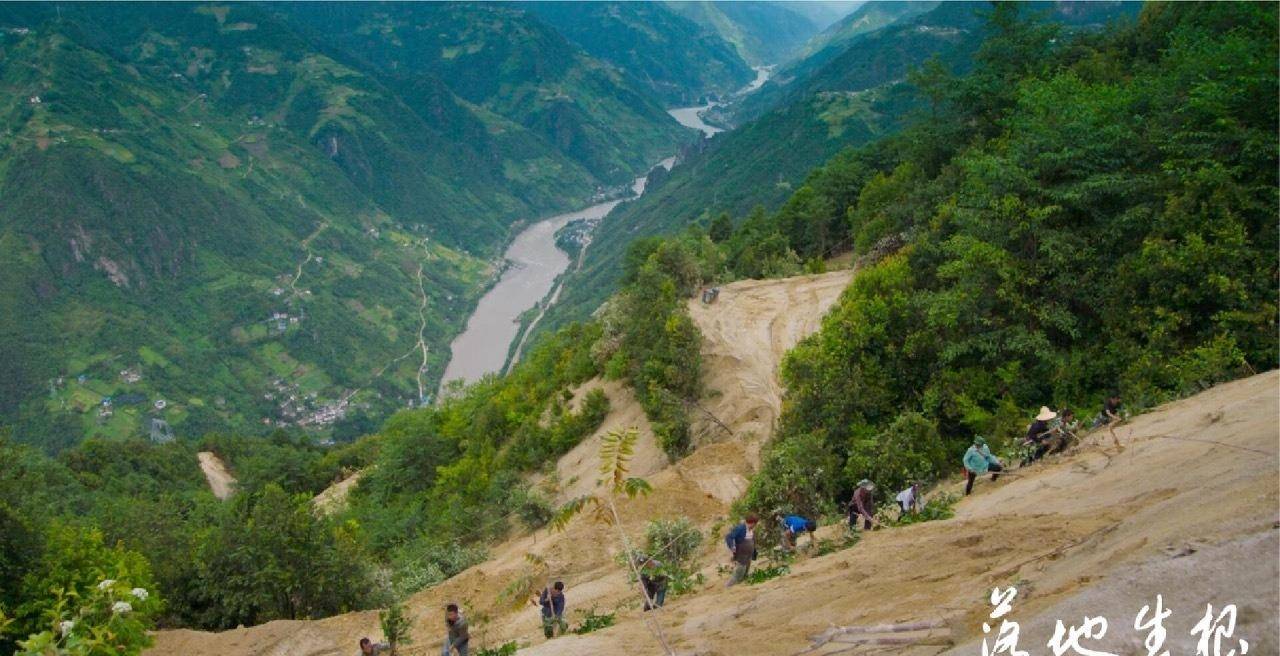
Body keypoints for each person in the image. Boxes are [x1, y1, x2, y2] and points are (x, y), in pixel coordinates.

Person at [724, 514, 759, 587]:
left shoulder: (751, 530)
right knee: (739, 573)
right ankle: (728, 587)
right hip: (741, 556)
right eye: (755, 524)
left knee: (746, 572)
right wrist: (732, 546)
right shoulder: (740, 528)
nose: (755, 525)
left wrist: (754, 552)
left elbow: (752, 542)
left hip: (748, 556)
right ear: (752, 523)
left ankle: (740, 587)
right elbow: (729, 537)